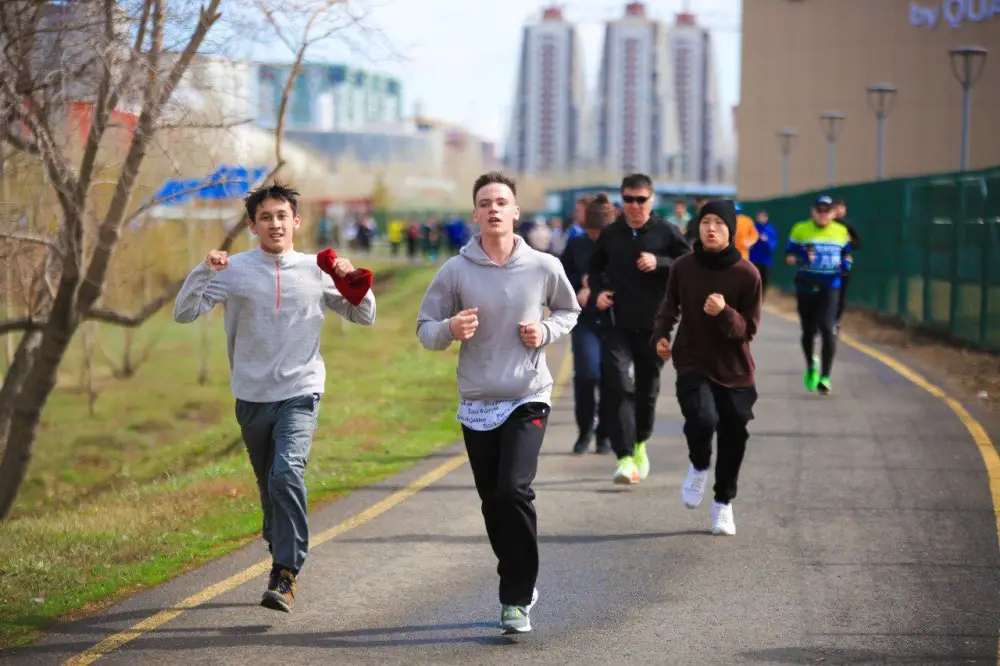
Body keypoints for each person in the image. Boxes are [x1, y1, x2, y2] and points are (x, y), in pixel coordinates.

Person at [173, 182, 376, 612]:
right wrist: (204, 270)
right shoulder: (234, 269)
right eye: (265, 217)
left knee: (286, 474)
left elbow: (364, 314)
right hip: (251, 395)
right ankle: (280, 549)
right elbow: (184, 311)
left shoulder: (317, 268)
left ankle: (286, 571)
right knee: (270, 490)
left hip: (301, 389)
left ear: (296, 222)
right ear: (252, 225)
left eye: (282, 215)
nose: (275, 223)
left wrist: (350, 278)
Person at [415, 171, 579, 635]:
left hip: (528, 395)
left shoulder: (544, 266)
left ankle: (516, 595)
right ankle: (518, 579)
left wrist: (545, 331)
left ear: (515, 213)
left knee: (513, 490)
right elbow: (425, 328)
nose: (493, 209)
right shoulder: (455, 270)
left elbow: (570, 311)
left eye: (501, 202)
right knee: (492, 502)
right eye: (485, 202)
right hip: (479, 398)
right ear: (475, 214)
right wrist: (451, 329)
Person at [651, 200, 761, 536]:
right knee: (701, 417)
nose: (710, 228)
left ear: (730, 230)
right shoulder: (684, 267)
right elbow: (668, 307)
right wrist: (660, 335)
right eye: (705, 222)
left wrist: (725, 312)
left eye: (718, 223)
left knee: (734, 434)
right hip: (692, 359)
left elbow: (749, 330)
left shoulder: (747, 274)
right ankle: (699, 465)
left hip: (734, 369)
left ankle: (722, 504)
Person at [587, 173, 691, 485]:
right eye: (628, 200)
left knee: (647, 391)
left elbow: (688, 264)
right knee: (618, 385)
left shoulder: (666, 231)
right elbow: (594, 269)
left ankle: (640, 443)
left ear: (651, 200)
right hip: (617, 324)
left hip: (654, 326)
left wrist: (659, 262)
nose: (634, 206)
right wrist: (598, 293)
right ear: (622, 201)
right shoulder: (611, 234)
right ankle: (623, 458)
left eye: (640, 199)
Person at [560, 193, 616, 455]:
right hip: (584, 321)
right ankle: (585, 430)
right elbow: (561, 277)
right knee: (586, 374)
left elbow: (625, 279)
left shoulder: (619, 245)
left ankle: (604, 433)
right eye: (590, 231)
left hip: (614, 321)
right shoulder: (577, 244)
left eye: (598, 232)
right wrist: (578, 285)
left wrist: (594, 288)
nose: (595, 237)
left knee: (609, 378)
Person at [786, 195, 852, 394]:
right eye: (819, 210)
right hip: (805, 287)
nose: (823, 214)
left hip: (830, 286)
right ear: (813, 211)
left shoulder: (841, 231)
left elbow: (847, 254)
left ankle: (825, 376)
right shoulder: (800, 229)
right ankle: (811, 366)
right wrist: (800, 257)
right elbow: (788, 257)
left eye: (827, 210)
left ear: (833, 213)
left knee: (827, 327)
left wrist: (846, 264)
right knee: (808, 332)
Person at [832, 198, 861, 329]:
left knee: (841, 294)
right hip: (827, 265)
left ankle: (837, 320)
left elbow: (858, 243)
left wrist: (850, 241)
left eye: (841, 207)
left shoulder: (848, 226)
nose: (838, 211)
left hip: (843, 265)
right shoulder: (826, 224)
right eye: (836, 207)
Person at [749, 210, 778, 298]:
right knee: (753, 281)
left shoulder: (771, 229)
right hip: (753, 260)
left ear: (766, 218)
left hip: (766, 261)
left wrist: (766, 240)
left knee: (764, 283)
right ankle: (751, 299)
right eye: (759, 216)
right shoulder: (753, 228)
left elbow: (773, 246)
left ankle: (760, 302)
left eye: (763, 217)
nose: (761, 219)